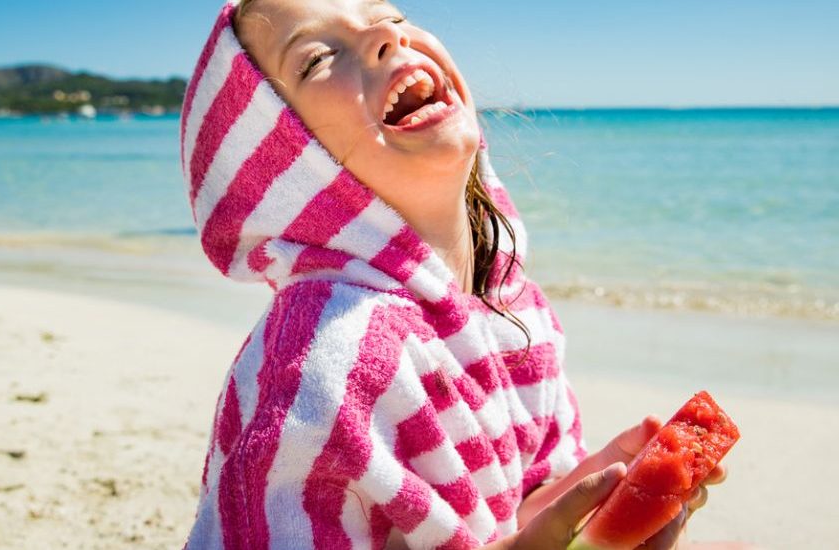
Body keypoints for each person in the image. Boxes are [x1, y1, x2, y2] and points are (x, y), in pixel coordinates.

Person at [180, 1, 738, 548]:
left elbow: (507, 510)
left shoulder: (515, 305)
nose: (385, 37)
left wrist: (597, 485)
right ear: (286, 154)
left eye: (390, 16)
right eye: (317, 58)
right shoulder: (321, 356)